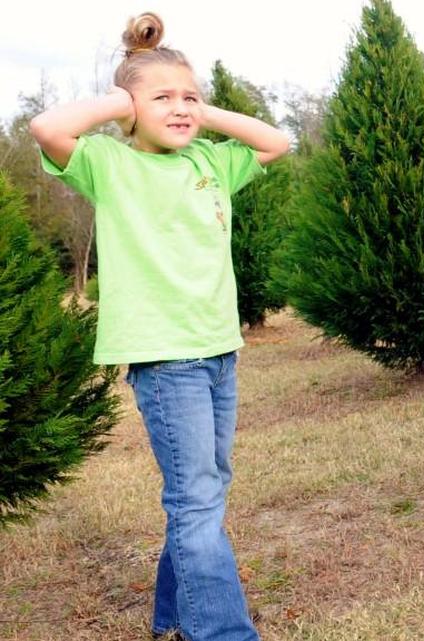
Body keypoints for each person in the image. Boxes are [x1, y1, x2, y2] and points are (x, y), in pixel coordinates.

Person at [30, 13, 290, 640]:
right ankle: (223, 632)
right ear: (128, 109)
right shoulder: (106, 164)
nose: (180, 109)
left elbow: (276, 142)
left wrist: (202, 110)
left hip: (218, 349)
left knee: (205, 490)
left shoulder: (211, 161)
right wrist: (126, 96)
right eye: (163, 100)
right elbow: (47, 127)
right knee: (197, 499)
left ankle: (174, 615)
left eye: (189, 98)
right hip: (164, 357)